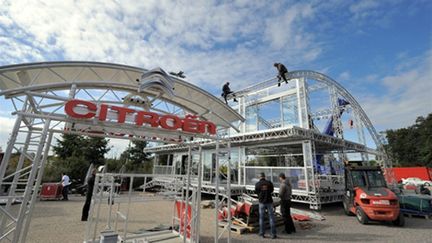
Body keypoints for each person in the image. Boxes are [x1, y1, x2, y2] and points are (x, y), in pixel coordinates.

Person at [255, 172, 277, 239]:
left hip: (261, 202)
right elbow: (272, 190)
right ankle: (273, 234)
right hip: (269, 201)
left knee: (261, 218)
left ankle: (262, 233)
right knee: (271, 217)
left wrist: (261, 195)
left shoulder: (257, 184)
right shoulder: (269, 183)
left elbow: (256, 192)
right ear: (265, 176)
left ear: (259, 177)